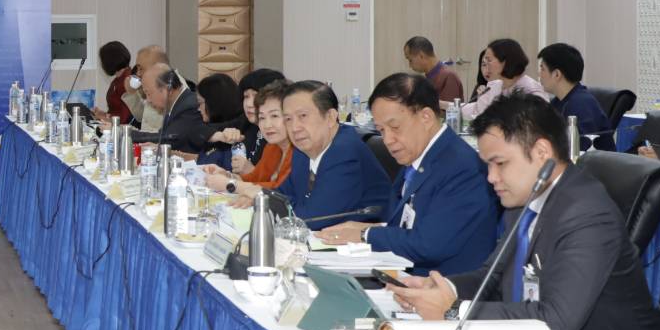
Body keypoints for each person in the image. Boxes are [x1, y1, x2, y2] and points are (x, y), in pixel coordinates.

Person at [388, 93, 660, 330]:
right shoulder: (523, 200)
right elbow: (494, 276)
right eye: (487, 165)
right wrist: (443, 288)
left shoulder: (587, 213)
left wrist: (453, 310)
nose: (491, 177)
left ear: (542, 153)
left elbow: (556, 321)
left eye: (500, 163)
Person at [316, 73, 498, 274]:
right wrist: (364, 228)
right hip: (407, 276)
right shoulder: (418, 157)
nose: (387, 140)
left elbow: (429, 244)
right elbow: (410, 224)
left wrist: (365, 234)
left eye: (395, 127)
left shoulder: (462, 168)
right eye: (381, 130)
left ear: (426, 117)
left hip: (443, 285)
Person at [274, 80, 391, 225]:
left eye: (303, 116)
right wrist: (261, 197)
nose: (294, 128)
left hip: (371, 237)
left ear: (330, 117)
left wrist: (268, 201)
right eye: (288, 119)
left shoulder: (346, 152)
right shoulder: (302, 151)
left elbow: (312, 220)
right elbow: (280, 195)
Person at [205, 81, 293, 198]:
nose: (267, 125)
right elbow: (253, 178)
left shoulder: (299, 152)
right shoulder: (272, 147)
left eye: (274, 116)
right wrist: (227, 176)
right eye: (262, 117)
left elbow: (282, 192)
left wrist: (230, 185)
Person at [537, 42, 612, 151]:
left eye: (542, 69)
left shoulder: (582, 105)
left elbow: (577, 151)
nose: (539, 74)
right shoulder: (557, 102)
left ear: (557, 74)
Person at [128, 62, 215, 154]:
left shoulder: (189, 106)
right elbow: (162, 136)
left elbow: (169, 139)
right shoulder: (176, 104)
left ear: (167, 89)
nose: (148, 100)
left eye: (148, 93)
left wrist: (129, 134)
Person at [460, 38, 547, 121]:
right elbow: (477, 111)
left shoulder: (531, 91)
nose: (485, 66)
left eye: (489, 60)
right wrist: (453, 107)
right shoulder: (497, 85)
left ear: (505, 62)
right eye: (484, 63)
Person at [192, 73, 246, 169]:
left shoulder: (235, 134)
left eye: (200, 103)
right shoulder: (208, 129)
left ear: (213, 103)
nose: (198, 108)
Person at [120, 44, 169, 131]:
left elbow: (161, 134)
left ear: (157, 66)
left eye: (141, 69)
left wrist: (125, 131)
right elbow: (143, 116)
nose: (138, 73)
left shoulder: (170, 88)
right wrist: (132, 93)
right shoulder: (157, 84)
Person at [404, 35, 465, 103]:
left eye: (410, 60)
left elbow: (449, 108)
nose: (409, 65)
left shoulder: (449, 77)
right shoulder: (427, 78)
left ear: (421, 56)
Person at [90, 40, 134, 125]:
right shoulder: (118, 79)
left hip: (122, 130)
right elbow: (116, 111)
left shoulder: (127, 81)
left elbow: (124, 119)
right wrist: (102, 114)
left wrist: (103, 117)